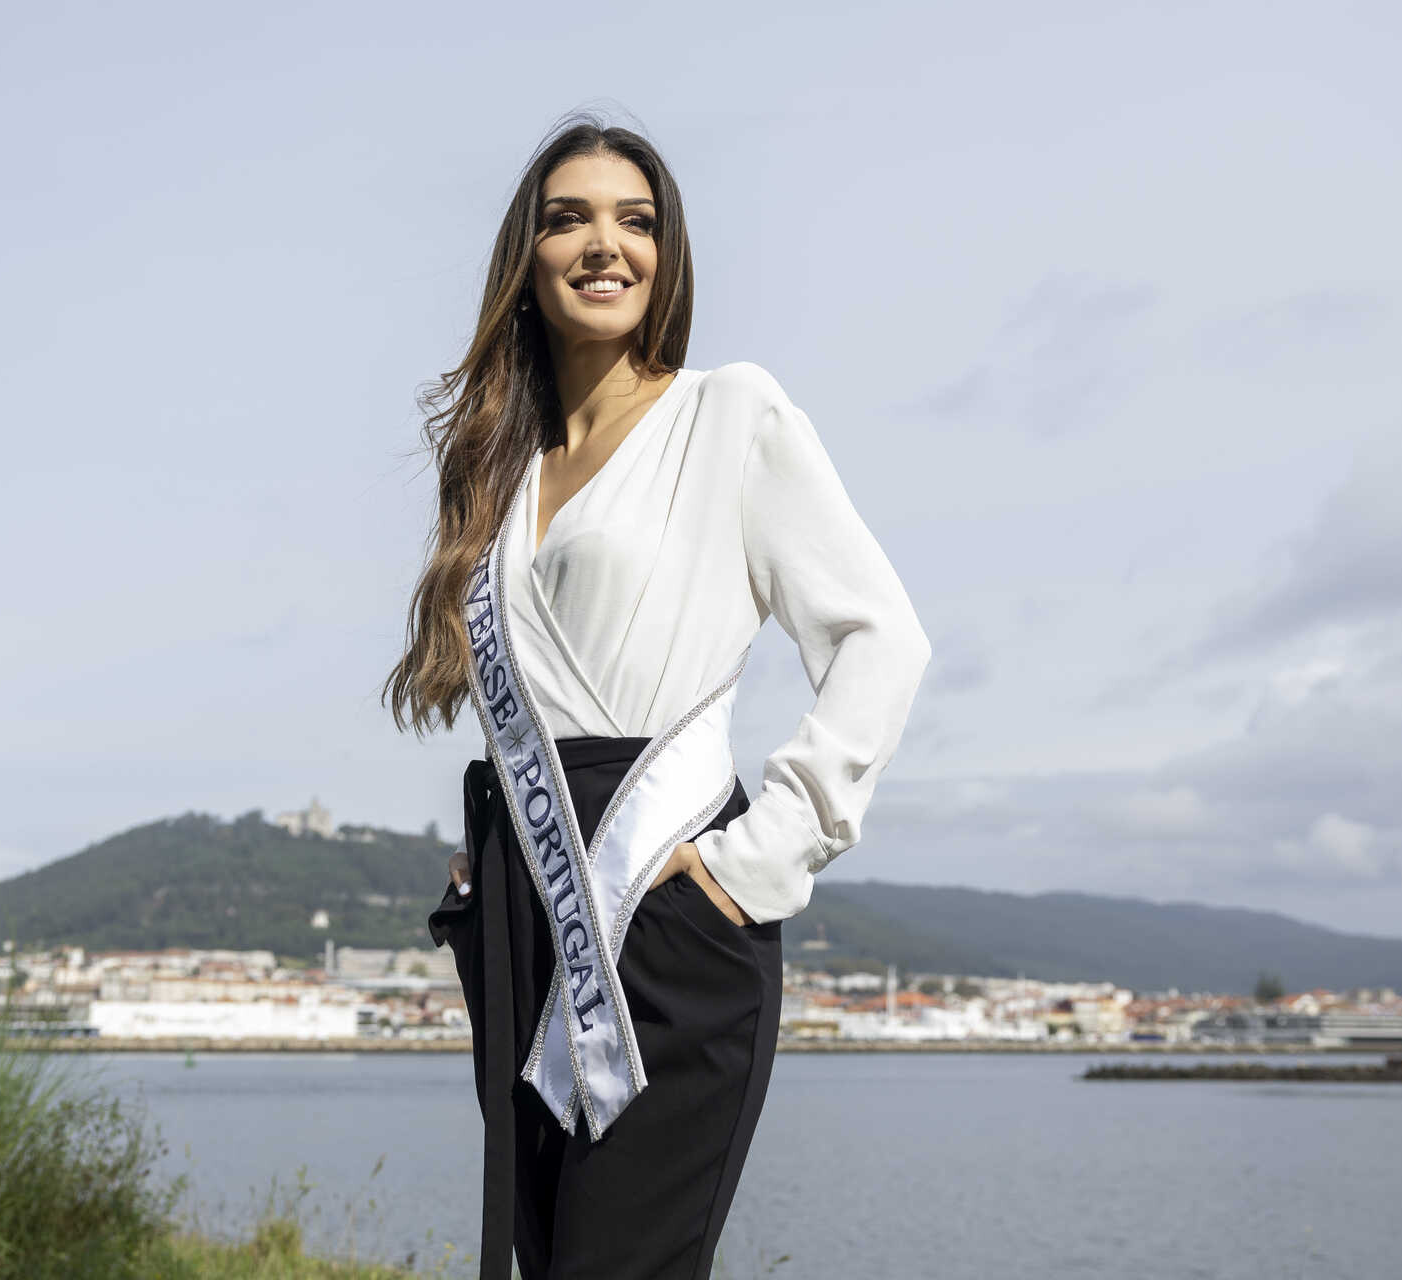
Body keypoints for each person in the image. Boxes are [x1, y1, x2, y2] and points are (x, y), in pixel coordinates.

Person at [381, 113, 932, 1280]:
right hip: (525, 918)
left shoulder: (730, 414)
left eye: (636, 221)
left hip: (670, 904)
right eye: (568, 217)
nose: (604, 244)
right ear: (524, 261)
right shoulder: (500, 470)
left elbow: (882, 637)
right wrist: (482, 875)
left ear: (667, 256)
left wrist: (758, 858)